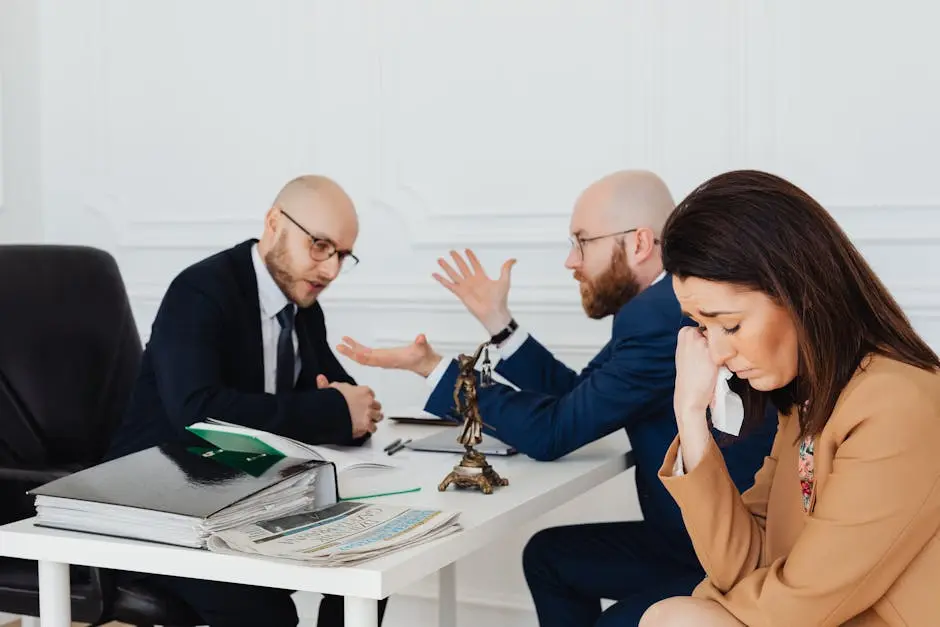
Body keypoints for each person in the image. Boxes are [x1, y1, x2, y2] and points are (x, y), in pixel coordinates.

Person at [336, 170, 778, 625]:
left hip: (727, 555)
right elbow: (577, 396)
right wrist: (499, 324)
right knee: (550, 558)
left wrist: (434, 370)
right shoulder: (659, 307)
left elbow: (553, 432)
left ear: (640, 243)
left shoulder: (660, 316)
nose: (571, 261)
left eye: (582, 241)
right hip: (690, 539)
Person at [638, 170, 940, 627]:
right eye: (703, 327)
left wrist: (701, 608)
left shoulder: (897, 404)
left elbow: (798, 609)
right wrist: (690, 418)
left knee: (677, 618)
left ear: (799, 293)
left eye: (731, 325)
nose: (716, 353)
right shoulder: (810, 403)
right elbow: (746, 562)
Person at [106, 175, 388, 627]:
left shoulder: (303, 305)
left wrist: (352, 410)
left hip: (242, 491)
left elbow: (339, 394)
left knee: (370, 561)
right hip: (163, 501)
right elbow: (199, 417)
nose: (330, 270)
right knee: (267, 614)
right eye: (319, 245)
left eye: (341, 255)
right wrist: (334, 412)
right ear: (274, 223)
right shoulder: (200, 292)